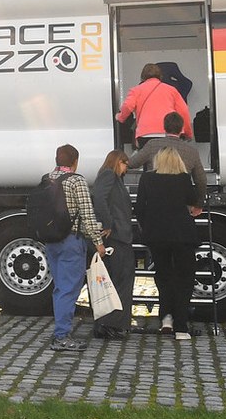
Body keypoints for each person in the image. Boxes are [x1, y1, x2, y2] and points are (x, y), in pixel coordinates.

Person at [41, 144, 106, 352]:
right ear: (75, 161)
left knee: (60, 287)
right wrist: (98, 242)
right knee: (69, 289)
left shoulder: (46, 179)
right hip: (71, 240)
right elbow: (87, 214)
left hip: (51, 241)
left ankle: (61, 331)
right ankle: (61, 336)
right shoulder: (77, 181)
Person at [137, 147, 203, 342]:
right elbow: (193, 200)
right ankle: (181, 326)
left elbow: (140, 207)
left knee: (163, 276)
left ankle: (166, 318)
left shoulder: (147, 179)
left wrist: (146, 227)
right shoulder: (183, 178)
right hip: (182, 234)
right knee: (185, 279)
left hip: (157, 235)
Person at [88, 150, 134, 339]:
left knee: (113, 281)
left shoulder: (111, 177)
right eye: (125, 164)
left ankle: (108, 324)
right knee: (119, 280)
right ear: (118, 162)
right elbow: (99, 198)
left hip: (118, 235)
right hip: (117, 236)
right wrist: (107, 224)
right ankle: (112, 325)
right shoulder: (109, 175)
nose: (126, 169)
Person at [131, 112, 209, 206]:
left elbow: (133, 163)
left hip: (155, 204)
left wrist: (121, 158)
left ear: (164, 127)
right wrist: (199, 204)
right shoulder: (192, 151)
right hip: (181, 205)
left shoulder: (152, 145)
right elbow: (201, 180)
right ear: (181, 129)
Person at [116, 63, 193, 142]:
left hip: (145, 133)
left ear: (142, 77)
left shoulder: (136, 90)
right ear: (160, 76)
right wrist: (188, 133)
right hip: (169, 132)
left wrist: (121, 117)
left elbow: (128, 106)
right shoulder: (171, 90)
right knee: (168, 154)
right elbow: (184, 111)